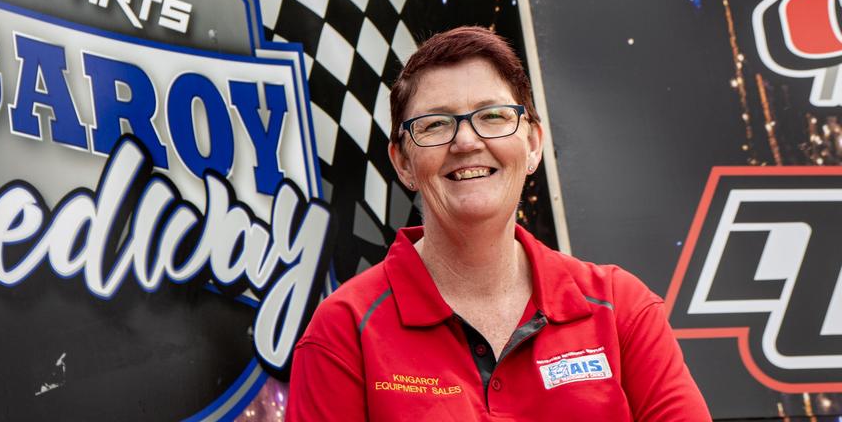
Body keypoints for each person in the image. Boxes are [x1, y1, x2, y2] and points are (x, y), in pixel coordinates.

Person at [287, 26, 709, 421]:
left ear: (533, 143)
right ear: (403, 163)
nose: (467, 142)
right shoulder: (343, 332)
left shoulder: (621, 309)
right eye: (435, 124)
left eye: (492, 116)